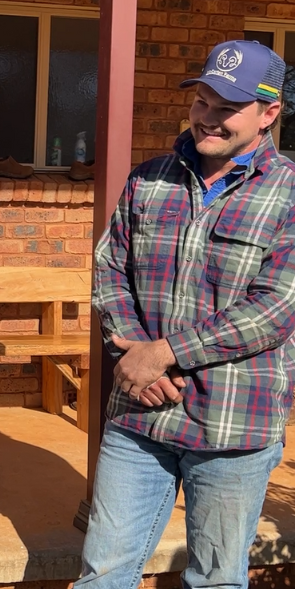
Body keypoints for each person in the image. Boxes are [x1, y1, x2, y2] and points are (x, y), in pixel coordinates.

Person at [80, 40, 295, 588]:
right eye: (202, 101)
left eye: (228, 107)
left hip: (233, 426)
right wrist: (135, 354)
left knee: (215, 580)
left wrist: (164, 353)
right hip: (140, 415)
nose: (208, 117)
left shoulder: (289, 193)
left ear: (269, 112)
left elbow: (275, 307)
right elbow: (111, 269)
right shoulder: (149, 179)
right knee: (102, 573)